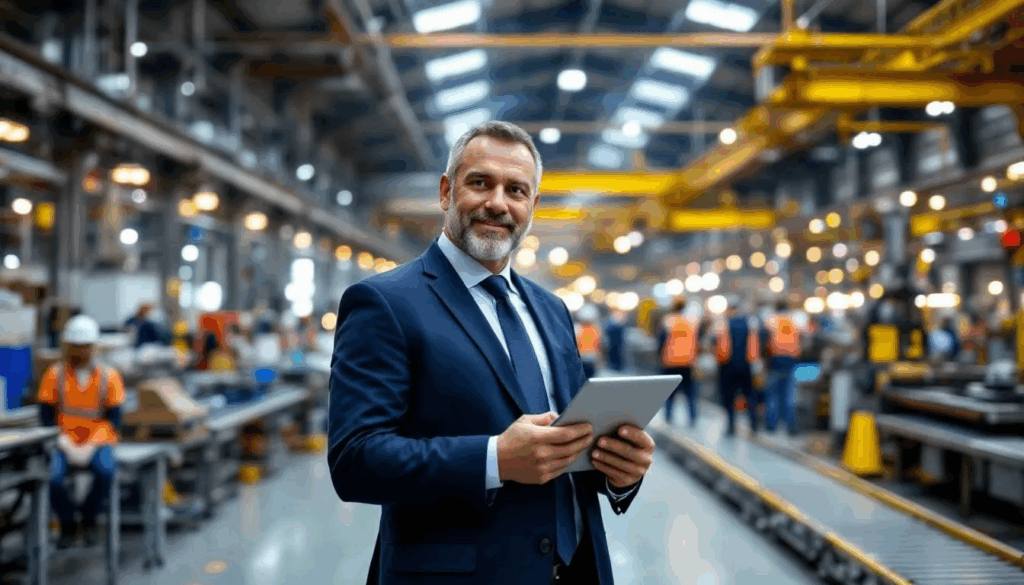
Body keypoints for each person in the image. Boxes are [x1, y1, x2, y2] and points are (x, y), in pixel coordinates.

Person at [328, 121, 652, 585]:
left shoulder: (551, 309)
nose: (498, 203)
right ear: (446, 191)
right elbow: (355, 461)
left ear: (532, 207)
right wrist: (496, 459)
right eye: (481, 183)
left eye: (516, 190)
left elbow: (570, 436)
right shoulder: (386, 303)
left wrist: (619, 473)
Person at [37, 315, 125, 549]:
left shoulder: (109, 376)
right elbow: (45, 416)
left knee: (106, 472)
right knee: (52, 478)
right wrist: (65, 443)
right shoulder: (55, 375)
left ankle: (88, 518)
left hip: (98, 442)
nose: (81, 351)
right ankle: (67, 522)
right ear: (68, 347)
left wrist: (89, 446)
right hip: (63, 441)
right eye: (76, 346)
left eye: (85, 346)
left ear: (94, 347)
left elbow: (115, 419)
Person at [716, 302, 761, 437]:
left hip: (727, 366)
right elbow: (755, 344)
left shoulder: (724, 324)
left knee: (729, 398)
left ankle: (731, 427)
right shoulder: (749, 324)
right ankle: (753, 424)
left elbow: (719, 346)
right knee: (749, 396)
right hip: (746, 366)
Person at [657, 297, 699, 427]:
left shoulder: (668, 321)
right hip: (687, 362)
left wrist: (660, 355)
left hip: (670, 361)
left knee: (669, 392)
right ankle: (692, 417)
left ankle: (668, 417)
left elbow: (661, 340)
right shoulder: (690, 322)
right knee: (690, 392)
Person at [763, 300, 802, 435]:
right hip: (791, 360)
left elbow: (765, 337)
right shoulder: (794, 321)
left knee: (773, 394)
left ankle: (771, 426)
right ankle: (790, 425)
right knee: (789, 395)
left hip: (776, 359)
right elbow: (804, 335)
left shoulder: (772, 320)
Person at [575, 305, 602, 379]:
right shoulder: (578, 329)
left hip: (591, 358)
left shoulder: (595, 329)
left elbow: (598, 344)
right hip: (582, 358)